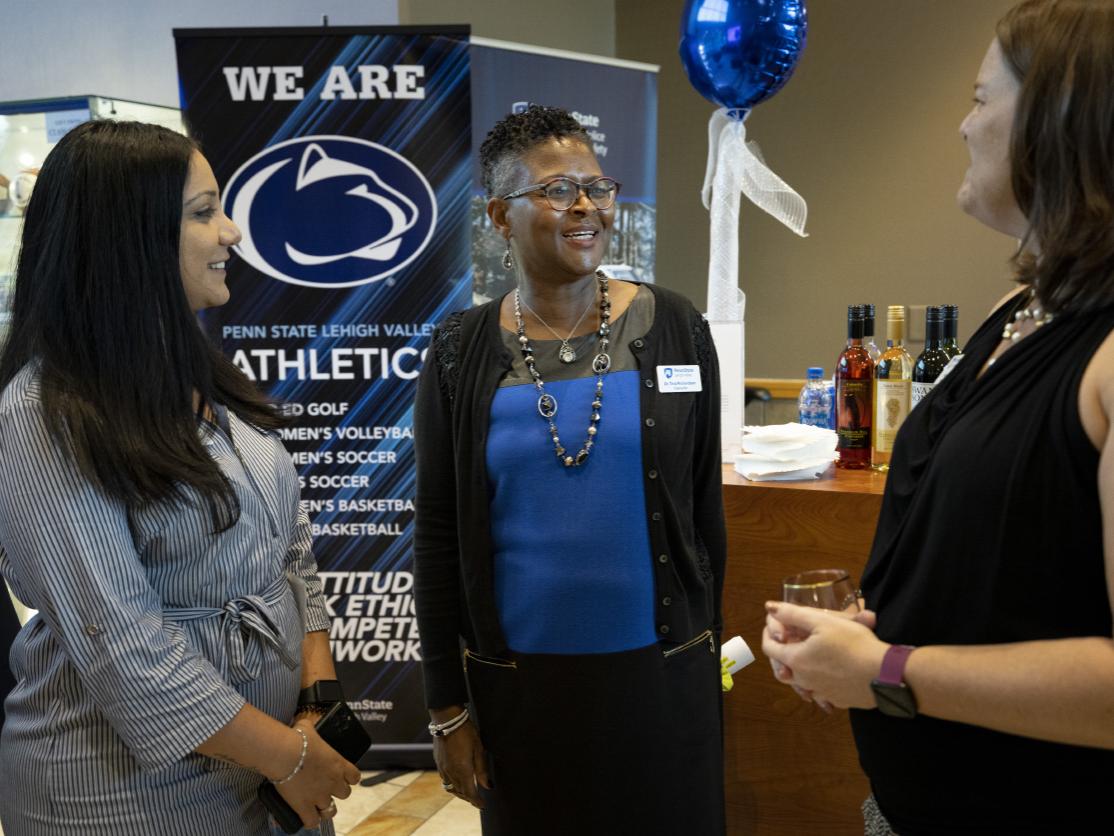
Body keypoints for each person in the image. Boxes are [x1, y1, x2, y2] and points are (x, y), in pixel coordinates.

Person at [762, 1, 1114, 832]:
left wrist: (888, 665)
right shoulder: (1020, 309)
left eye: (983, 99)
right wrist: (857, 644)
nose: (963, 126)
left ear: (1058, 124)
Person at [0, 120, 360, 835]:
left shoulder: (201, 376)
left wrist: (315, 689)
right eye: (204, 213)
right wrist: (289, 757)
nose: (231, 232)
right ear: (127, 240)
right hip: (123, 794)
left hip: (267, 770)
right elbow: (121, 641)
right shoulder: (43, 415)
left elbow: (289, 545)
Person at [413, 104, 727, 835]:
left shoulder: (676, 327)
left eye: (597, 186)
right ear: (500, 214)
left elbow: (703, 512)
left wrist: (703, 649)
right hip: (521, 693)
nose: (586, 206)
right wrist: (445, 708)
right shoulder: (459, 352)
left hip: (662, 679)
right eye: (558, 191)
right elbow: (434, 534)